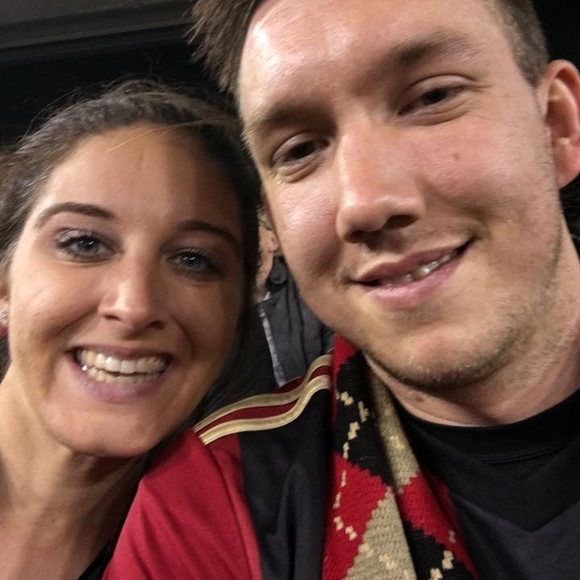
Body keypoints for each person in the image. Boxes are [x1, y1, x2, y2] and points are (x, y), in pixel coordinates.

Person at [105, 0, 580, 578]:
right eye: (300, 150)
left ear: (556, 126)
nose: (365, 203)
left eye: (432, 98)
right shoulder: (213, 497)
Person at [0, 79, 260, 579]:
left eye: (193, 259)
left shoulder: (239, 545)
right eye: (84, 244)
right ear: (5, 282)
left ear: (236, 312)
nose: (135, 306)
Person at [255, 210, 333, 389]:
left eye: (251, 231)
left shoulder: (306, 283)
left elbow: (337, 344)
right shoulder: (221, 309)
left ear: (273, 240)